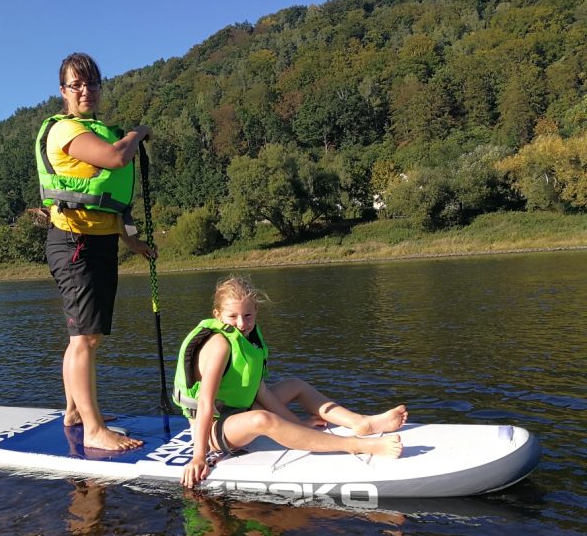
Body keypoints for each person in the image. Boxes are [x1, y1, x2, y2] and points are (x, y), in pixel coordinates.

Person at [173, 275, 406, 488]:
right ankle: (357, 445)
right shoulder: (220, 344)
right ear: (218, 315)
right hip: (212, 427)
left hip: (237, 410)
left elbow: (259, 390)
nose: (242, 323)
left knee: (295, 384)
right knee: (262, 419)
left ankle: (360, 422)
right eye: (232, 317)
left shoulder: (249, 340)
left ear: (256, 311)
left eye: (248, 315)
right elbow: (205, 403)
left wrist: (297, 424)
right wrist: (199, 457)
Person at [36, 52, 154, 451]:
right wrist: (137, 134)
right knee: (83, 338)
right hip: (73, 244)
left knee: (86, 338)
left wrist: (131, 241)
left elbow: (108, 200)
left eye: (92, 83)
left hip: (98, 242)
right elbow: (116, 158)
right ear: (63, 92)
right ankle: (93, 428)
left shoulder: (100, 128)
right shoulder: (65, 131)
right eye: (76, 84)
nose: (86, 90)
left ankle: (73, 411)